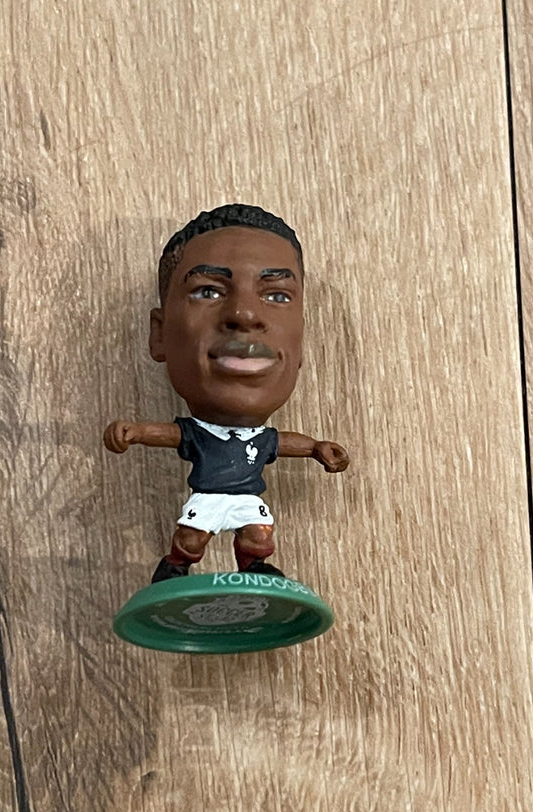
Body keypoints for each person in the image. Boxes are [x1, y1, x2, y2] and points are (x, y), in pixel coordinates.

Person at [103, 204, 349, 583]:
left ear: (301, 338)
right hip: (208, 497)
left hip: (246, 498)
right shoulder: (200, 435)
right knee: (192, 537)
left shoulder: (260, 439)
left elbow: (283, 442)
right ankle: (175, 566)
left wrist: (316, 448)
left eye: (277, 296)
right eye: (208, 291)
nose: (245, 314)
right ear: (159, 333)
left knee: (258, 533)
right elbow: (171, 434)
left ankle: (255, 565)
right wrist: (135, 432)